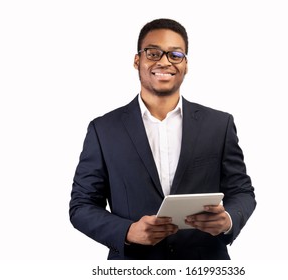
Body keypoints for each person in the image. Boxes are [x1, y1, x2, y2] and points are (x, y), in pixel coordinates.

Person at [69, 18, 256, 260]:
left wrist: (228, 219)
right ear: (138, 60)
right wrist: (128, 231)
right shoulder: (103, 130)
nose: (165, 61)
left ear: (185, 64)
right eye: (153, 53)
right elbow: (81, 206)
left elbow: (242, 191)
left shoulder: (219, 125)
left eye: (175, 54)